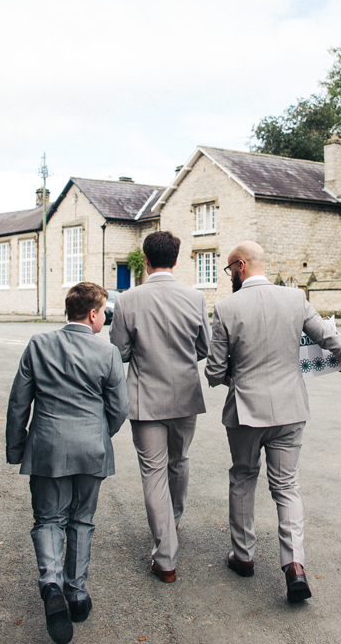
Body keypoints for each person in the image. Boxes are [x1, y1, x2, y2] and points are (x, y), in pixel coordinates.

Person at [205, 241, 341, 603]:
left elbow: (213, 371)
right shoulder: (295, 299)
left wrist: (234, 379)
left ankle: (243, 557)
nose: (229, 276)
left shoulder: (226, 308)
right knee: (286, 486)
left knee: (243, 477)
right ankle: (295, 566)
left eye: (229, 270)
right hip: (290, 409)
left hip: (245, 411)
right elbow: (330, 338)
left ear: (240, 266)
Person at [6, 282, 130, 644]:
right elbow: (120, 409)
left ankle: (51, 583)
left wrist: (17, 448)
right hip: (91, 447)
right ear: (92, 314)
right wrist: (99, 433)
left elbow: (19, 403)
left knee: (48, 518)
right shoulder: (107, 353)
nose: (105, 319)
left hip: (46, 446)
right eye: (104, 313)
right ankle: (76, 594)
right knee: (81, 519)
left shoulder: (39, 345)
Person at [108, 230, 211, 583]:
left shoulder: (127, 300)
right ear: (177, 260)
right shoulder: (195, 297)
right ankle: (174, 518)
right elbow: (203, 348)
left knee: (153, 471)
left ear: (146, 260)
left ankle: (165, 556)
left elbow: (119, 352)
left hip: (145, 398)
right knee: (179, 461)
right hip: (185, 396)